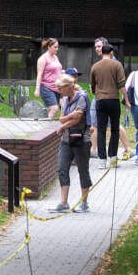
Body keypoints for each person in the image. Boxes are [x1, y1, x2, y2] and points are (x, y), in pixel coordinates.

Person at [52, 73, 91, 213]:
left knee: (82, 170)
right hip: (66, 139)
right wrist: (69, 116)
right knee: (62, 168)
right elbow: (62, 118)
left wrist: (63, 125)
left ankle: (84, 203)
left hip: (81, 139)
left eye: (60, 88)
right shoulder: (64, 99)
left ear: (69, 86)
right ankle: (64, 203)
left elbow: (77, 119)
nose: (58, 90)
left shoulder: (82, 97)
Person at [91, 42, 125, 169]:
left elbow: (93, 85)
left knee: (101, 130)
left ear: (102, 52)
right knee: (115, 129)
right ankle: (113, 158)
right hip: (114, 99)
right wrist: (126, 100)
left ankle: (102, 160)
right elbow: (121, 84)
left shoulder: (95, 66)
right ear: (111, 53)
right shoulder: (117, 65)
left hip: (100, 100)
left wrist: (97, 93)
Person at [34, 38, 63, 119]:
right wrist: (37, 89)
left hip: (57, 88)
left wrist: (63, 72)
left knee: (61, 107)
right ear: (49, 47)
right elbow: (39, 75)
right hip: (47, 87)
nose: (57, 49)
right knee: (54, 108)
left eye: (58, 47)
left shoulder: (56, 57)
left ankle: (50, 124)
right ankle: (46, 126)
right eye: (55, 47)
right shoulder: (42, 59)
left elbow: (56, 70)